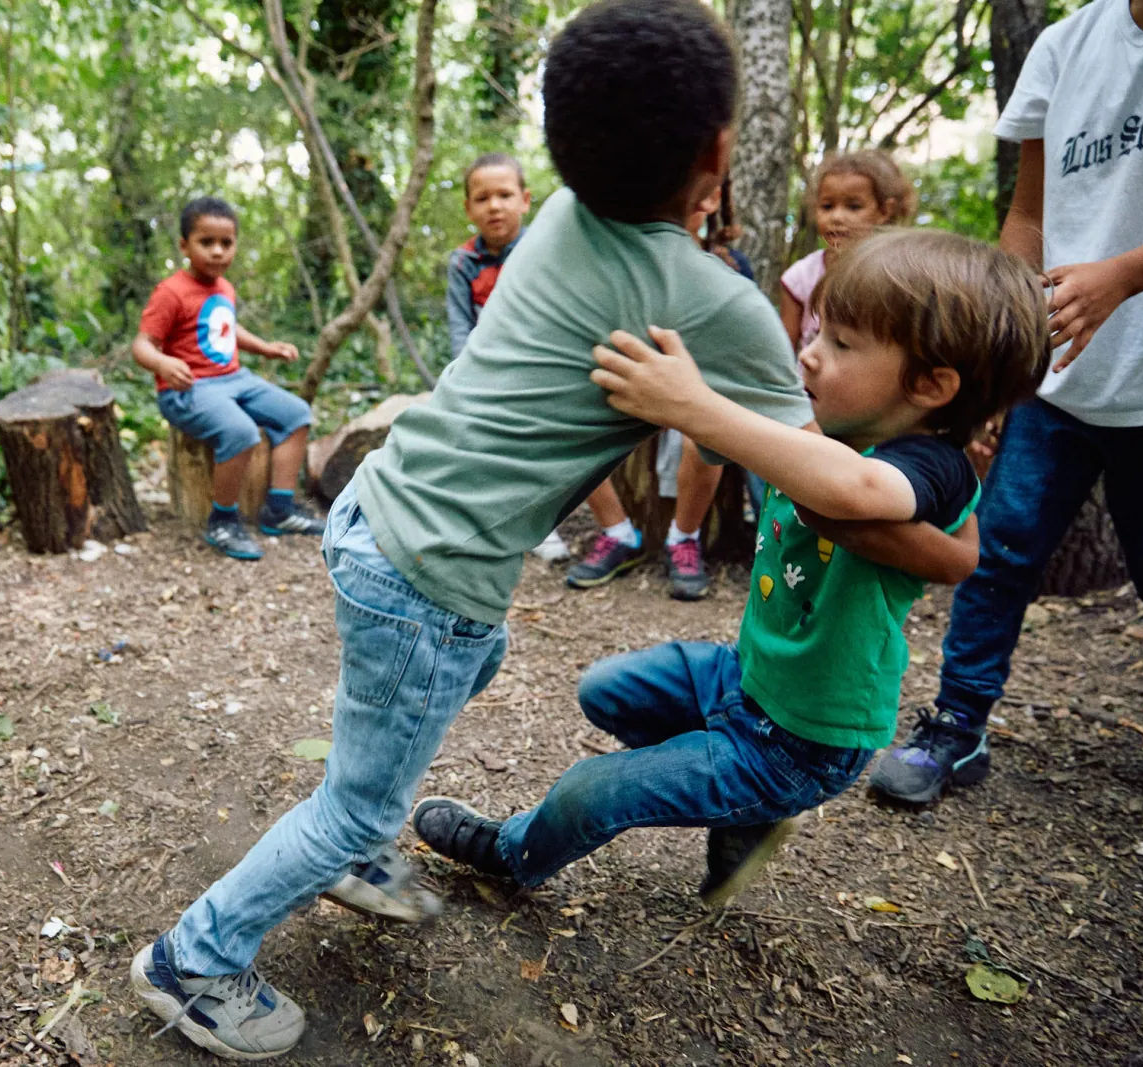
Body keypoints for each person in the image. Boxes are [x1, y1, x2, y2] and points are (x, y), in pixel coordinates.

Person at [129, 1, 830, 1056]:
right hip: (428, 571)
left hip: (380, 512)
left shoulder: (554, 216)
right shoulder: (711, 301)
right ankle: (195, 959)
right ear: (718, 151)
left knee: (460, 667)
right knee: (368, 790)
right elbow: (822, 464)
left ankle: (353, 851)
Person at [413, 229, 1048, 906]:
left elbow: (852, 490)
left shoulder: (931, 465)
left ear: (931, 385)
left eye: (842, 344)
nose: (809, 352)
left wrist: (693, 407)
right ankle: (742, 809)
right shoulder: (826, 423)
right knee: (607, 689)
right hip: (748, 679)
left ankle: (513, 852)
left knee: (590, 790)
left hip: (804, 739)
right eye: (818, 331)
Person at [869, 0, 1143, 821]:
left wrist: (1121, 276)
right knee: (999, 550)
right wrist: (1006, 348)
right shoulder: (1065, 44)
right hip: (1057, 378)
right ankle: (958, 726)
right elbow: (1030, 215)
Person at [444, 152, 647, 580]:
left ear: (525, 200)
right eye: (482, 198)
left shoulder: (547, 247)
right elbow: (461, 328)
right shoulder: (463, 263)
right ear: (468, 209)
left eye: (504, 195)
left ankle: (618, 530)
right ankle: (524, 527)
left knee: (566, 442)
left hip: (552, 366)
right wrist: (468, 377)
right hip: (490, 373)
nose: (494, 206)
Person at [133, 197, 325, 560]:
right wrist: (162, 363)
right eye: (207, 242)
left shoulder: (224, 287)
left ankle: (279, 510)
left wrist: (265, 348)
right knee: (240, 433)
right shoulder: (171, 292)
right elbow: (142, 344)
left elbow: (226, 328)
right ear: (184, 245)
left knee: (297, 415)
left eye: (227, 243)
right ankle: (222, 519)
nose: (218, 252)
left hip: (234, 379)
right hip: (188, 389)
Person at [657, 177, 760, 601]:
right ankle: (616, 532)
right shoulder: (633, 262)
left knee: (707, 430)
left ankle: (684, 536)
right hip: (646, 376)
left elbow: (740, 341)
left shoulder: (730, 265)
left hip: (706, 383)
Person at [780, 150, 914, 353]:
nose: (837, 217)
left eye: (853, 207)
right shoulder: (801, 277)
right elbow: (783, 351)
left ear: (884, 211)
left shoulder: (899, 276)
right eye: (827, 206)